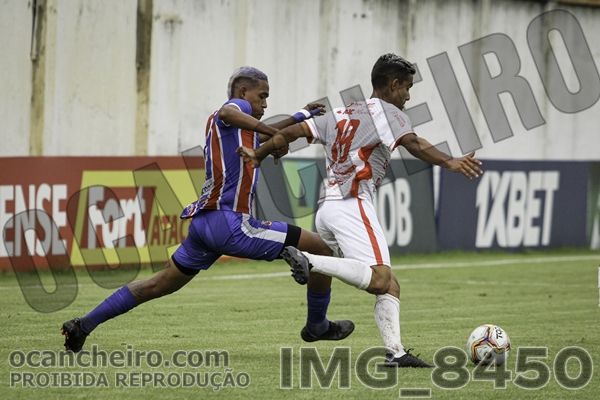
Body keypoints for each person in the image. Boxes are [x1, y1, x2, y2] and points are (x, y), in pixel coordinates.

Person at [61, 66, 354, 353]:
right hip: (230, 225)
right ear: (243, 93)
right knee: (321, 248)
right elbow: (230, 113)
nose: (265, 104)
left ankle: (83, 325)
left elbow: (268, 135)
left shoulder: (238, 132)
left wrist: (300, 116)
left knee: (156, 285)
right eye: (262, 96)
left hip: (204, 225)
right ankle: (316, 325)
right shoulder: (233, 110)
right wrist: (274, 134)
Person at [237, 53, 483, 368]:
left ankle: (396, 353)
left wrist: (260, 153)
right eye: (407, 88)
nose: (407, 97)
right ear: (393, 84)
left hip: (326, 209)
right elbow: (413, 143)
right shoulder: (389, 113)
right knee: (380, 279)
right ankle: (308, 260)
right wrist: (450, 161)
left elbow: (293, 132)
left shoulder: (340, 112)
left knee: (390, 285)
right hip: (352, 203)